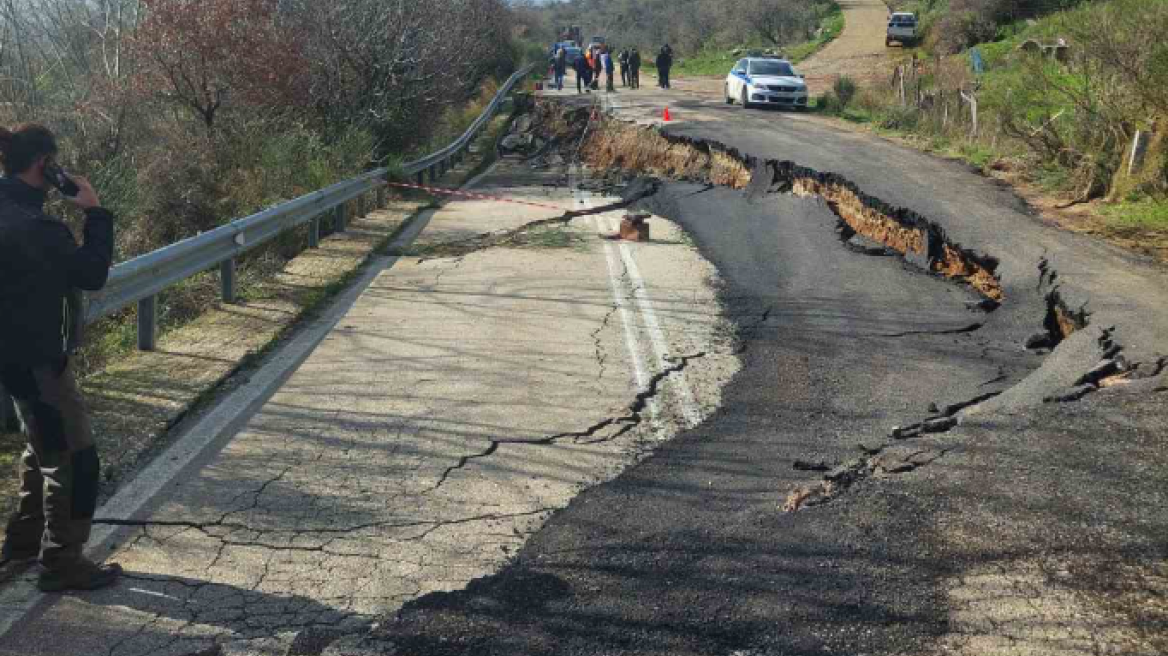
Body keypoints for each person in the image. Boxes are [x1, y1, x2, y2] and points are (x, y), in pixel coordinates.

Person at [0, 124, 120, 593]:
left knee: (42, 444)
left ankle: (23, 543)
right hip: (40, 358)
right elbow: (91, 273)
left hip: (9, 359)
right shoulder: (40, 229)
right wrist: (94, 211)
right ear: (46, 167)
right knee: (75, 458)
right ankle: (62, 562)